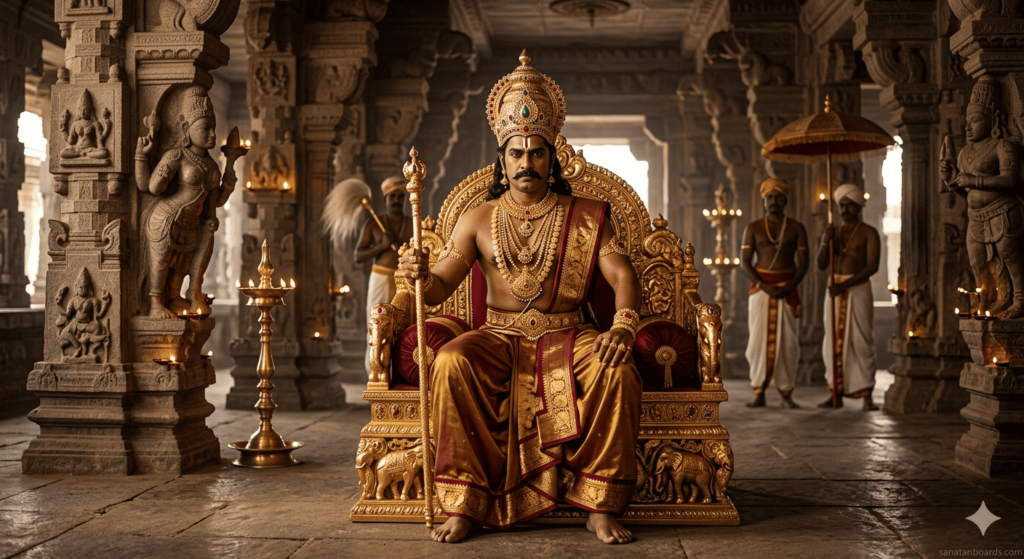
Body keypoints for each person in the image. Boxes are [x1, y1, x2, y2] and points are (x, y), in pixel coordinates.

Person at [400, 50, 642, 545]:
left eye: (536, 152)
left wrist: (622, 325)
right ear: (502, 159)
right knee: (449, 362)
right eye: (516, 152)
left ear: (553, 158)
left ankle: (598, 504)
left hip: (571, 337)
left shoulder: (589, 213)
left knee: (615, 368)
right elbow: (442, 284)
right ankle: (465, 503)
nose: (526, 162)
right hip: (498, 339)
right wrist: (418, 276)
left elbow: (621, 274)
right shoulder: (478, 217)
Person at [740, 178, 809, 409]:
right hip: (760, 291)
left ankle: (786, 393)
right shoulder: (754, 228)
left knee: (788, 343)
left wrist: (790, 286)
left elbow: (804, 262)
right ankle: (759, 391)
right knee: (757, 342)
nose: (774, 201)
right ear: (764, 200)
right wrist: (762, 285)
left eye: (778, 197)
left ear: (785, 200)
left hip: (788, 288)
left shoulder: (796, 228)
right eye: (770, 197)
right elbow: (745, 263)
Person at [816, 183, 881, 410]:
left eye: (849, 205)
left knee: (862, 341)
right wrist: (826, 240)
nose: (845, 209)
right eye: (841, 205)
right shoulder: (833, 232)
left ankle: (867, 396)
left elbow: (872, 266)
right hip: (834, 288)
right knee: (831, 341)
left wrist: (845, 286)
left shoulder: (869, 233)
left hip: (858, 288)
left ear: (858, 206)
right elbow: (821, 263)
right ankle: (835, 393)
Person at [355, 177, 413, 375]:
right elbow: (358, 256)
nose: (396, 200)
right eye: (392, 197)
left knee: (401, 325)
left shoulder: (411, 224)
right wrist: (381, 246)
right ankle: (373, 371)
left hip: (404, 281)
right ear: (385, 200)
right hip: (380, 278)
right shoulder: (373, 224)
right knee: (376, 323)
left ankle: (396, 372)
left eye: (400, 196)